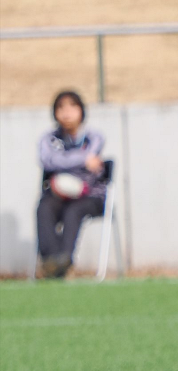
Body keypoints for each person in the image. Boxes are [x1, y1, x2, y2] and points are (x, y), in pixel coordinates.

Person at [36, 91, 106, 279]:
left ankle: (64, 259)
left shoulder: (93, 137)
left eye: (72, 106)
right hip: (58, 195)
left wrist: (66, 160)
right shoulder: (49, 139)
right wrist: (84, 159)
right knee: (44, 207)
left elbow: (89, 155)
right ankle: (52, 262)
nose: (66, 112)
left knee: (73, 211)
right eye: (61, 107)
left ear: (81, 110)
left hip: (90, 196)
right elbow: (49, 161)